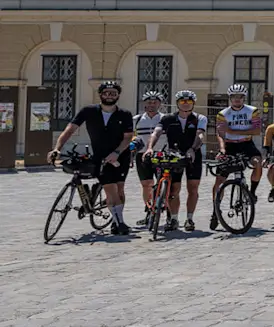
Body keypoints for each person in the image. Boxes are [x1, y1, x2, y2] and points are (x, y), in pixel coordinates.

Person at [50, 80, 136, 235]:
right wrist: (57, 149)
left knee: (120, 189)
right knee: (110, 190)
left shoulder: (125, 114)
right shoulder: (88, 111)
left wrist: (116, 153)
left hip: (120, 156)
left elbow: (128, 137)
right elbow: (69, 130)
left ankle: (117, 220)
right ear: (100, 94)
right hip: (100, 157)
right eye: (106, 93)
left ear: (118, 95)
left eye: (113, 93)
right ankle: (120, 223)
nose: (110, 96)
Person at [147, 89, 207, 231]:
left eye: (189, 101)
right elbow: (156, 132)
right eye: (182, 101)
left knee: (192, 188)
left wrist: (193, 149)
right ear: (177, 103)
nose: (185, 104)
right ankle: (173, 219)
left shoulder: (200, 118)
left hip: (193, 155)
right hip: (174, 155)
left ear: (193, 103)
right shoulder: (168, 118)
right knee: (174, 189)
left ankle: (190, 219)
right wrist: (150, 147)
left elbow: (200, 135)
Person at [215, 83, 265, 206]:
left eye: (240, 96)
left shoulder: (252, 111)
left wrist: (232, 131)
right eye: (234, 96)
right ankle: (215, 211)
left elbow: (257, 131)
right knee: (218, 181)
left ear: (244, 98)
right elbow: (220, 133)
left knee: (258, 163)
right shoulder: (223, 114)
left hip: (246, 144)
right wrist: (222, 149)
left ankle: (252, 192)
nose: (237, 99)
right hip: (230, 146)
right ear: (230, 98)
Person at [132, 91, 167, 228]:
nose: (152, 105)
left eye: (155, 102)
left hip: (161, 154)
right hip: (142, 154)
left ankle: (167, 211)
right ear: (144, 103)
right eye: (149, 102)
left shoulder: (165, 118)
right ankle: (148, 210)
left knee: (162, 183)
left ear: (160, 103)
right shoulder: (137, 119)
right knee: (146, 184)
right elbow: (131, 136)